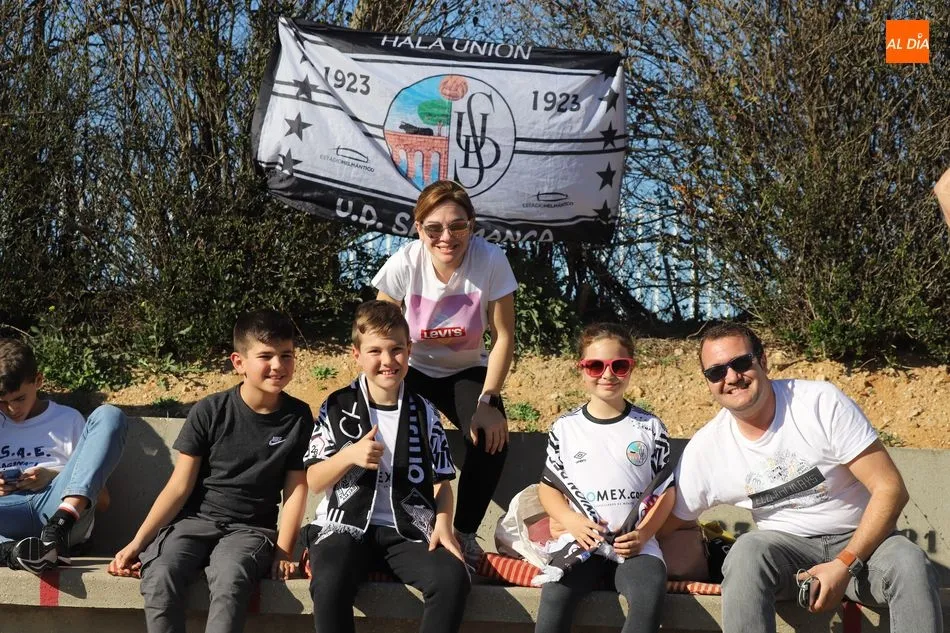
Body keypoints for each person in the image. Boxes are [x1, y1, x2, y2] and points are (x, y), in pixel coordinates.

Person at [666, 322, 943, 633]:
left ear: (763, 361)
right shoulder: (708, 447)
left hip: (865, 546)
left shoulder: (819, 403)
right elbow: (669, 522)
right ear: (708, 381)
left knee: (909, 562)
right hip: (787, 556)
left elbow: (890, 488)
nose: (731, 377)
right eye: (716, 372)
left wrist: (844, 563)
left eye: (741, 363)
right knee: (745, 553)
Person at [109, 309, 314, 633]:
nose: (278, 365)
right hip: (194, 523)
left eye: (286, 355)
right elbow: (179, 487)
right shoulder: (210, 411)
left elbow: (296, 490)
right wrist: (138, 542)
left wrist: (284, 552)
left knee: (231, 579)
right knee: (160, 574)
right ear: (239, 362)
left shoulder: (298, 417)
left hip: (250, 531)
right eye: (265, 356)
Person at [304, 300, 470, 633]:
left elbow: (441, 482)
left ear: (409, 350)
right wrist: (348, 456)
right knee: (329, 582)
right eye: (375, 351)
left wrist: (443, 524)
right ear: (357, 354)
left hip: (409, 530)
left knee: (452, 578)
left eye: (396, 350)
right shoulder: (337, 405)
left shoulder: (425, 412)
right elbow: (314, 480)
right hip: (344, 527)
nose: (387, 361)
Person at [373, 179, 517, 564]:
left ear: (472, 225)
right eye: (434, 228)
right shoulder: (405, 262)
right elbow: (377, 332)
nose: (446, 237)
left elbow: (503, 336)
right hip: (412, 369)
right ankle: (403, 527)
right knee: (399, 438)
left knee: (490, 438)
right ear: (419, 228)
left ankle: (465, 533)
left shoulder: (491, 261)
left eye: (457, 226)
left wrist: (489, 399)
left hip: (466, 370)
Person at [534, 323, 674, 633]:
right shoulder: (565, 428)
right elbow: (549, 488)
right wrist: (570, 521)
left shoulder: (650, 427)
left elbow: (667, 492)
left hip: (636, 548)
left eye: (618, 365)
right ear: (581, 369)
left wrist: (644, 534)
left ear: (631, 367)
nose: (607, 374)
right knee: (555, 595)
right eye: (595, 366)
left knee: (649, 596)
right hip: (582, 545)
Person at [0, 338, 128, 573]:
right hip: (7, 513)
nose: (11, 409)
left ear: (38, 381)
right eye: (2, 402)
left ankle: (57, 528)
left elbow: (103, 501)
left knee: (109, 415)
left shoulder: (68, 419)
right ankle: (14, 552)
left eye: (19, 399)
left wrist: (52, 475)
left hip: (59, 508)